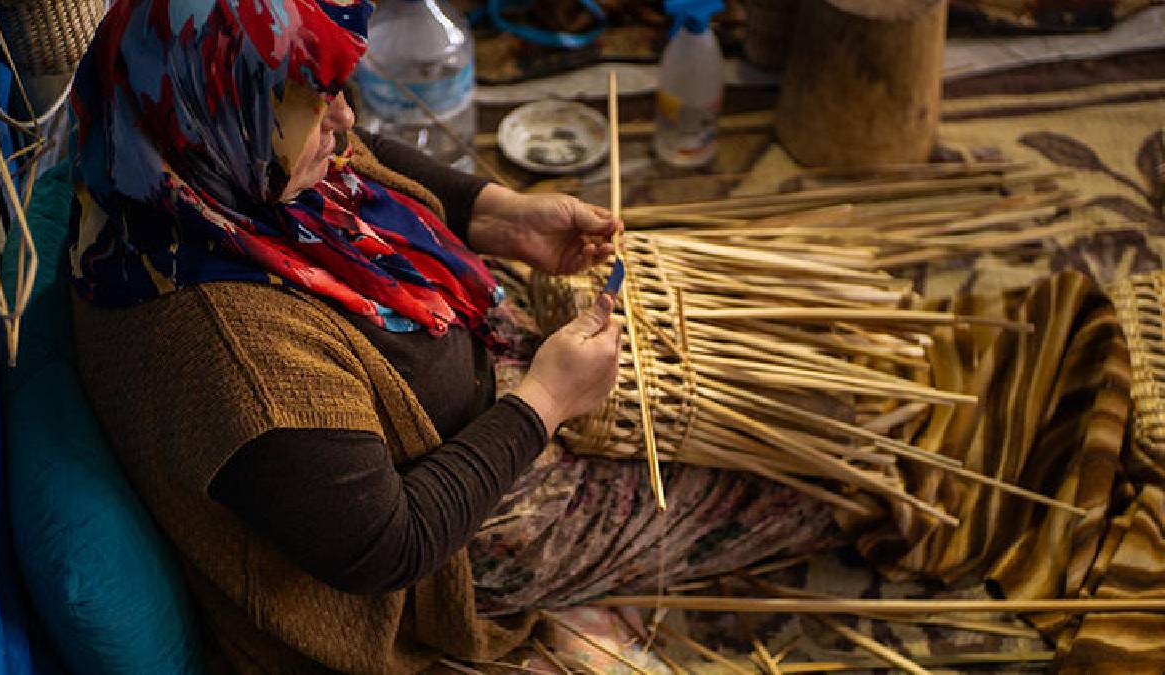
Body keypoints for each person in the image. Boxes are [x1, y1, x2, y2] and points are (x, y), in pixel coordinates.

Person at [68, 1, 834, 672]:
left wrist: (498, 212)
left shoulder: (190, 160)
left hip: (475, 367)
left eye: (338, 90)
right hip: (450, 546)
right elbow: (385, 547)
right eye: (312, 104)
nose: (344, 119)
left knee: (802, 362)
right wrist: (544, 404)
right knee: (796, 477)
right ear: (220, 116)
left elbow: (362, 161)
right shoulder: (236, 357)